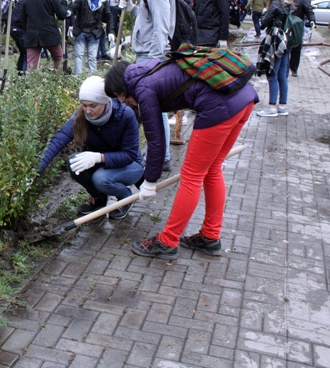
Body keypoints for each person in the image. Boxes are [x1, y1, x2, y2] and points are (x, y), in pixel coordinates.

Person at [103, 59, 258, 259]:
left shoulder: (142, 89)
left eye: (118, 95)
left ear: (123, 86)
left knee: (191, 175)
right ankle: (210, 236)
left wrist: (149, 181)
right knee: (212, 168)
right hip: (243, 98)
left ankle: (167, 241)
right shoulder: (149, 70)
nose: (122, 101)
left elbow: (156, 142)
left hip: (219, 105)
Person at [39, 76, 144, 220]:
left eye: (93, 106)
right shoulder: (82, 116)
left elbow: (129, 154)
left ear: (105, 102)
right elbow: (59, 139)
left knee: (101, 178)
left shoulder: (125, 115)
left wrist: (98, 157)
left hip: (130, 165)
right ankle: (99, 198)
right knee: (74, 162)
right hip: (104, 163)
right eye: (84, 105)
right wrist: (35, 171)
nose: (88, 111)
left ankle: (125, 197)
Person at [119, 0, 174, 172]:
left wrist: (153, 63)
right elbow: (148, 20)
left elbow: (161, 28)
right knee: (153, 109)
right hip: (147, 56)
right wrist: (133, 8)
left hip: (151, 58)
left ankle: (161, 157)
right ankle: (161, 155)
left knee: (154, 110)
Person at [256, 0, 294, 117]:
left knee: (272, 73)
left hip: (276, 42)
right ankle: (282, 106)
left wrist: (265, 13)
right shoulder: (289, 4)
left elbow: (263, 24)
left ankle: (272, 107)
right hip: (286, 42)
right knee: (282, 75)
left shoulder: (275, 5)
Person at [19, 0, 69, 71]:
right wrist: (64, 1)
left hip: (32, 35)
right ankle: (56, 82)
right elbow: (62, 15)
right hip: (50, 34)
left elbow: (22, 18)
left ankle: (31, 85)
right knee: (58, 58)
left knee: (31, 65)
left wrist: (28, 30)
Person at [70, 0, 111, 74]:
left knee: (92, 57)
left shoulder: (103, 1)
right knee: (78, 55)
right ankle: (77, 77)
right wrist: (69, 14)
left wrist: (110, 31)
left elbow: (109, 16)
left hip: (94, 32)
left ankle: (92, 77)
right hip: (81, 30)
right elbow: (74, 8)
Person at [285, 0, 315, 77]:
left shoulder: (301, 0)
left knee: (296, 49)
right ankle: (284, 69)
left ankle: (294, 69)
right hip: (285, 28)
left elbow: (309, 10)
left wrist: (312, 20)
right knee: (284, 48)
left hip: (297, 29)